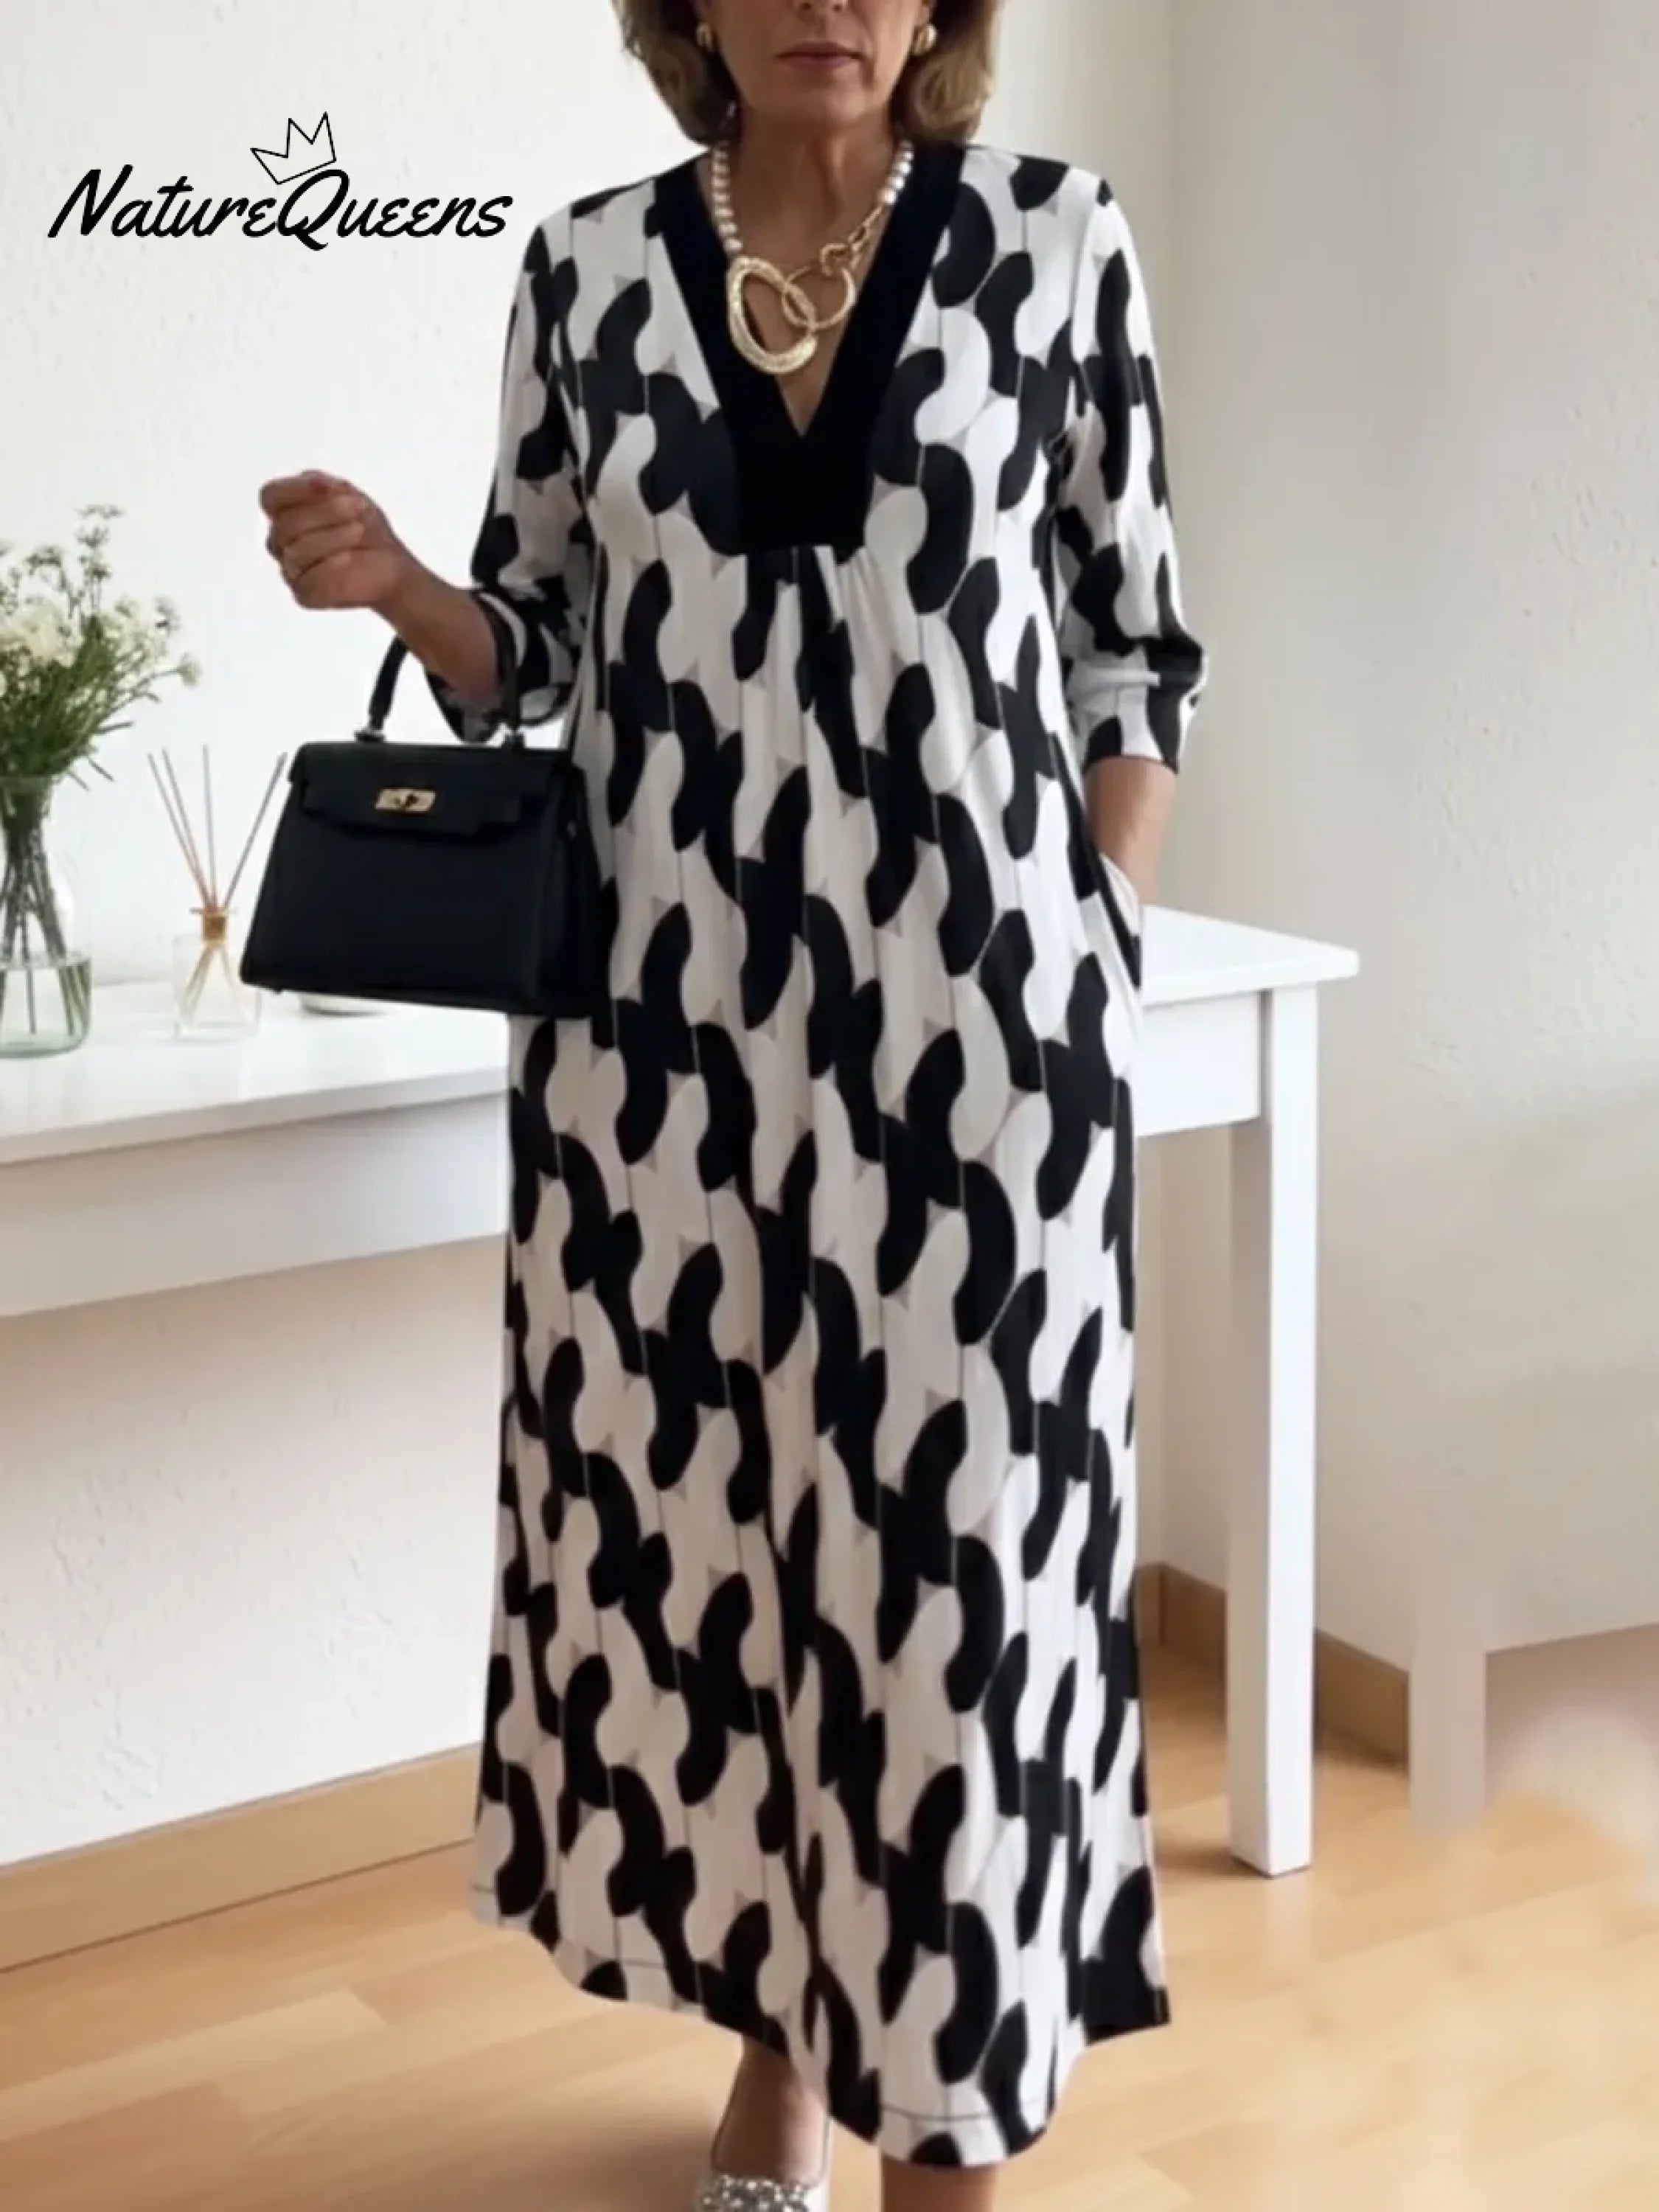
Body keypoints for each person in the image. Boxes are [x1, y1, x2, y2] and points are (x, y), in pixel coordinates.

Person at [259, 1, 1205, 2205]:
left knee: (952, 1589)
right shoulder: (588, 269)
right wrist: (404, 590)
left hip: (975, 1056)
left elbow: (1136, 644)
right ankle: (777, 2060)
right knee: (726, 1562)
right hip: (657, 1057)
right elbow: (541, 643)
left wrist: (1091, 933)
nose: (826, 1)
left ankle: (945, 2123)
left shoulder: (1055, 243)